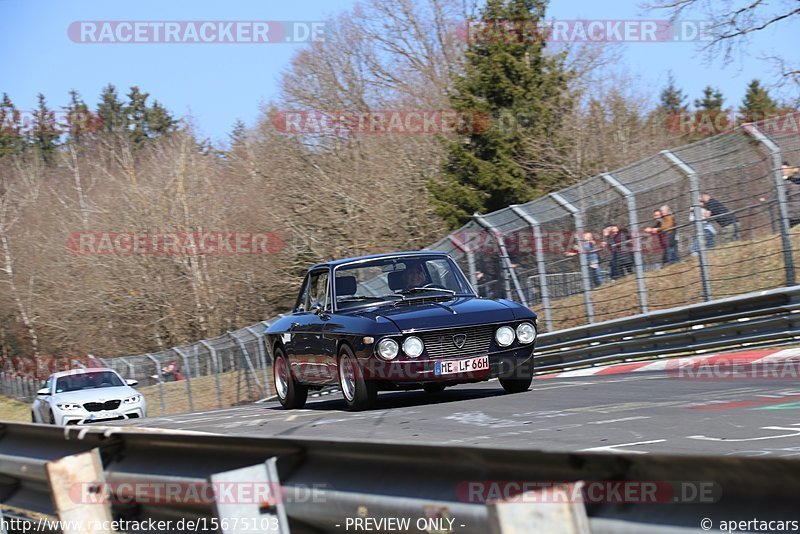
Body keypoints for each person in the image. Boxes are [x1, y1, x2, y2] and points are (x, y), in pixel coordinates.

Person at [782, 162, 800, 228]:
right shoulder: (782, 182)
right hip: (790, 215)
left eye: (785, 168)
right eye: (782, 169)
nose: (784, 171)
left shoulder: (796, 177)